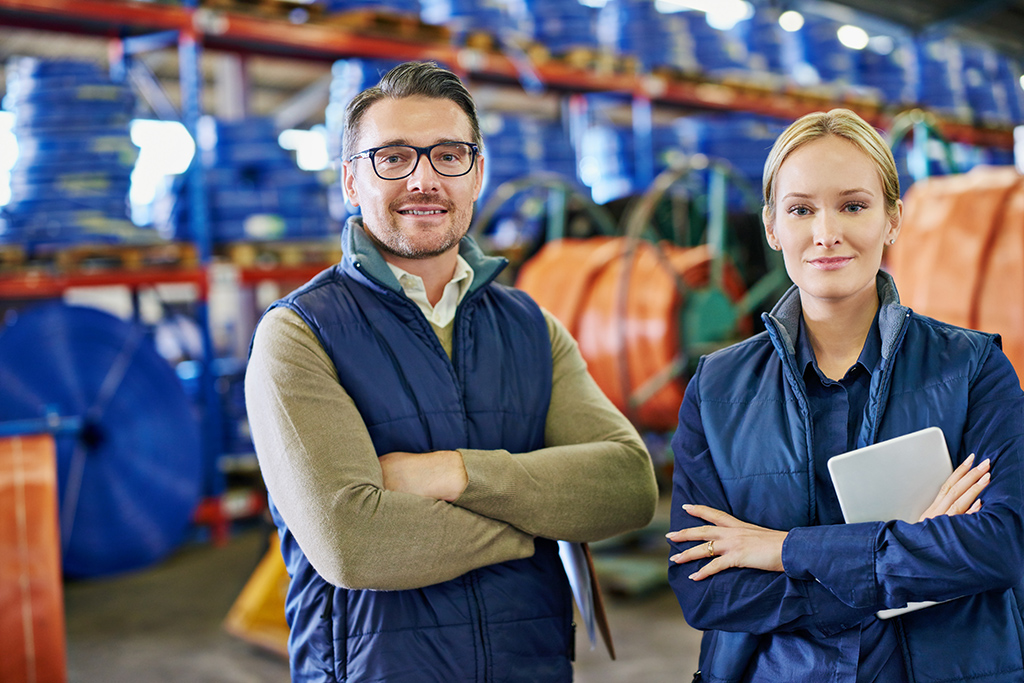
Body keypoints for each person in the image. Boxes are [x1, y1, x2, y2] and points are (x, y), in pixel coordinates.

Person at [245, 61, 658, 683]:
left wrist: (452, 473)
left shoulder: (528, 326)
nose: (423, 179)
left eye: (447, 155)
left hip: (532, 665)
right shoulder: (301, 334)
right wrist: (538, 520)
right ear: (352, 181)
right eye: (393, 158)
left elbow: (628, 485)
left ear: (478, 174)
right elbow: (353, 543)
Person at [666, 108, 1024, 682]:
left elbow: (1000, 548)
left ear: (892, 220)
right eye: (801, 209)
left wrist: (784, 551)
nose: (825, 232)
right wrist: (914, 556)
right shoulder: (717, 389)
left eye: (853, 205)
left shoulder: (974, 369)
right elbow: (706, 592)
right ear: (772, 227)